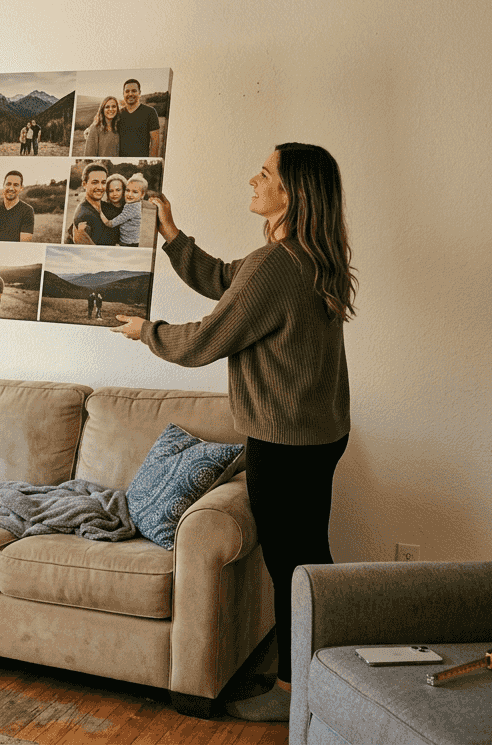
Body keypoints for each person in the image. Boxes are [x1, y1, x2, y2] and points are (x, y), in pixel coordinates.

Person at [112, 143, 356, 722]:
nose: (253, 178)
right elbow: (227, 279)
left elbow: (206, 338)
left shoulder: (280, 265)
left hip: (287, 441)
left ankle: (297, 692)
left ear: (290, 193)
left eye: (265, 173)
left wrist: (150, 331)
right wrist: (173, 235)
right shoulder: (305, 257)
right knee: (309, 560)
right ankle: (322, 678)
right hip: (319, 431)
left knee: (292, 567)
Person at [70, 163, 116, 245]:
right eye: (95, 182)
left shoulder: (105, 207)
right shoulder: (84, 216)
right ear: (84, 184)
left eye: (103, 182)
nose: (100, 187)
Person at [117, 79, 160, 157]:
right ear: (123, 94)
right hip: (119, 161)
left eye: (134, 91)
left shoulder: (150, 112)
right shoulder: (118, 114)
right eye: (127, 91)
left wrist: (152, 163)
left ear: (139, 93)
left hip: (141, 161)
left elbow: (155, 141)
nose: (130, 94)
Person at [99, 173, 144, 247]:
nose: (114, 194)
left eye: (118, 190)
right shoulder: (103, 206)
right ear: (106, 192)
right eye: (111, 191)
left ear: (124, 190)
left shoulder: (129, 208)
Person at [0, 170, 35, 242]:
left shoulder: (27, 210)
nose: (11, 188)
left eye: (16, 185)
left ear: (21, 188)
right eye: (8, 184)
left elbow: (24, 244)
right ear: (3, 186)